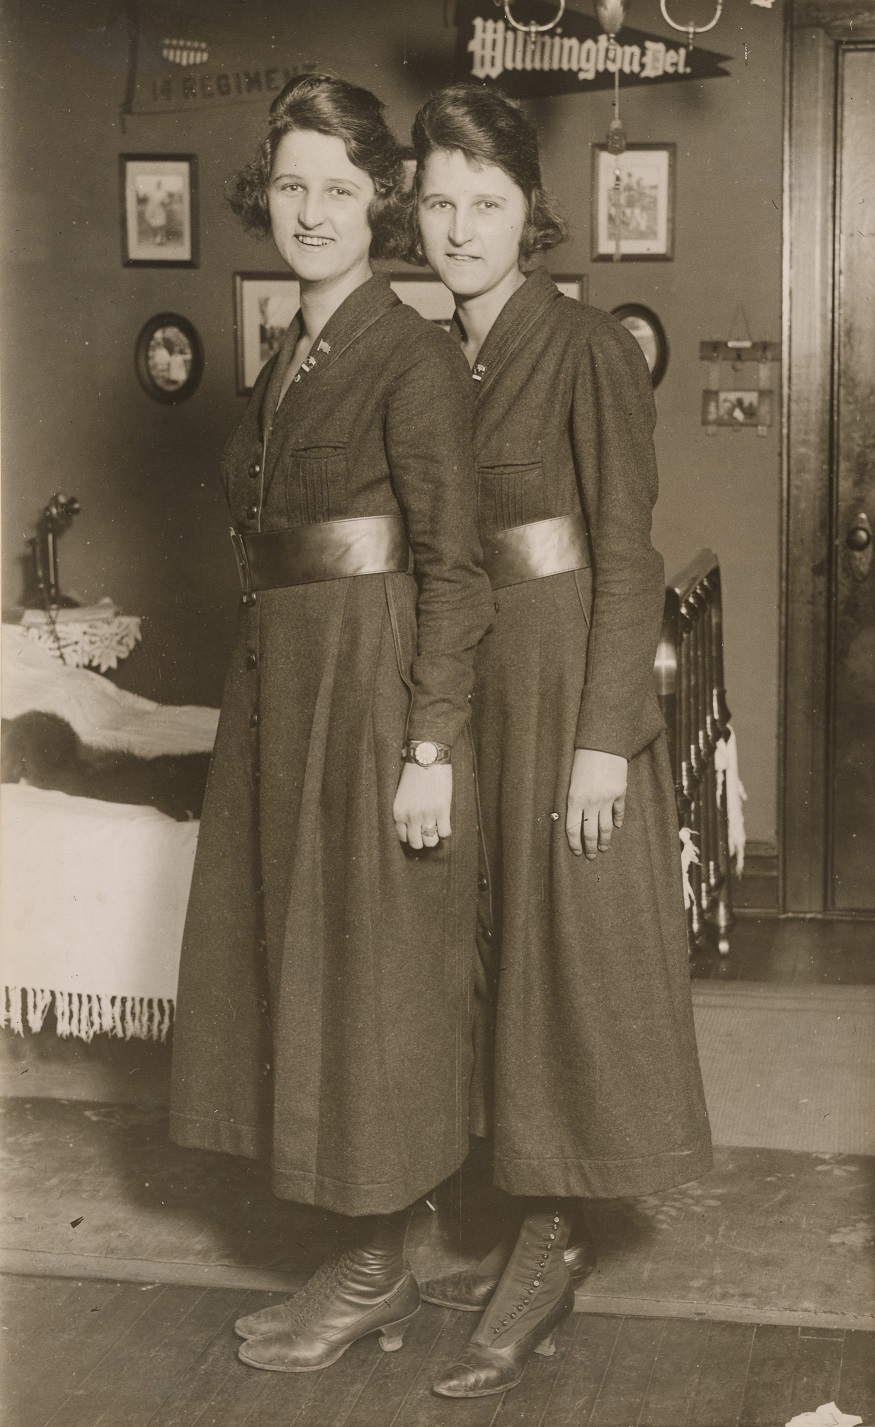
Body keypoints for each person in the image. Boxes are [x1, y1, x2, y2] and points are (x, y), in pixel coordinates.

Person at [169, 74, 494, 1374]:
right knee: (310, 969)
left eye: (342, 190)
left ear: (384, 209)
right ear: (268, 194)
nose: (311, 211)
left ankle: (371, 1270)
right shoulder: (296, 350)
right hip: (287, 679)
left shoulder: (409, 355)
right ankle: (363, 1254)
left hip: (367, 682)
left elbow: (459, 567)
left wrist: (430, 748)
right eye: (292, 184)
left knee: (371, 974)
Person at [409, 84, 713, 1398]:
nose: (461, 229)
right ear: (411, 212)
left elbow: (629, 549)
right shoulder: (423, 360)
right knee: (479, 948)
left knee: (565, 959)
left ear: (531, 213)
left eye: (488, 205)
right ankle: (514, 1203)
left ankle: (552, 1233)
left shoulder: (583, 347)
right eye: (439, 203)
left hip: (565, 691)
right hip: (473, 686)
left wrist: (605, 739)